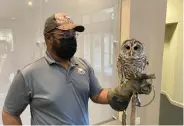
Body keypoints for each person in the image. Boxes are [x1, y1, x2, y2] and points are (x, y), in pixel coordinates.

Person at [2, 13, 151, 125]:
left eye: (73, 34)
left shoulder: (84, 66)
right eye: (64, 34)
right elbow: (9, 113)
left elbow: (97, 94)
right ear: (48, 38)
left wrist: (122, 90)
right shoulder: (28, 74)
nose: (70, 38)